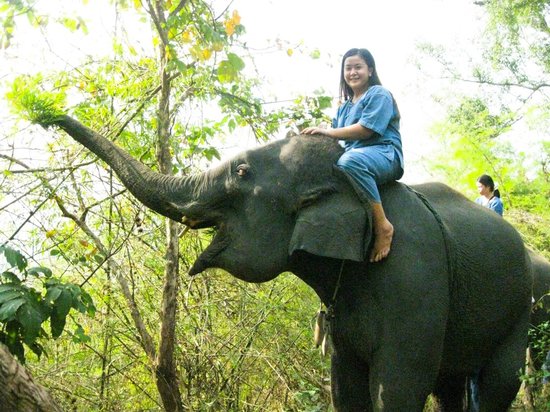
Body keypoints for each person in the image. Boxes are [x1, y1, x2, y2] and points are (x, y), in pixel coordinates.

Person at [302, 48, 404, 263]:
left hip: (383, 154)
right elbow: (335, 142)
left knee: (350, 161)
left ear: (370, 70)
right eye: (348, 68)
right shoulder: (343, 108)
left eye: (358, 67)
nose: (352, 72)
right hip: (351, 157)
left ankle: (383, 226)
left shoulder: (379, 94)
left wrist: (327, 131)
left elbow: (367, 129)